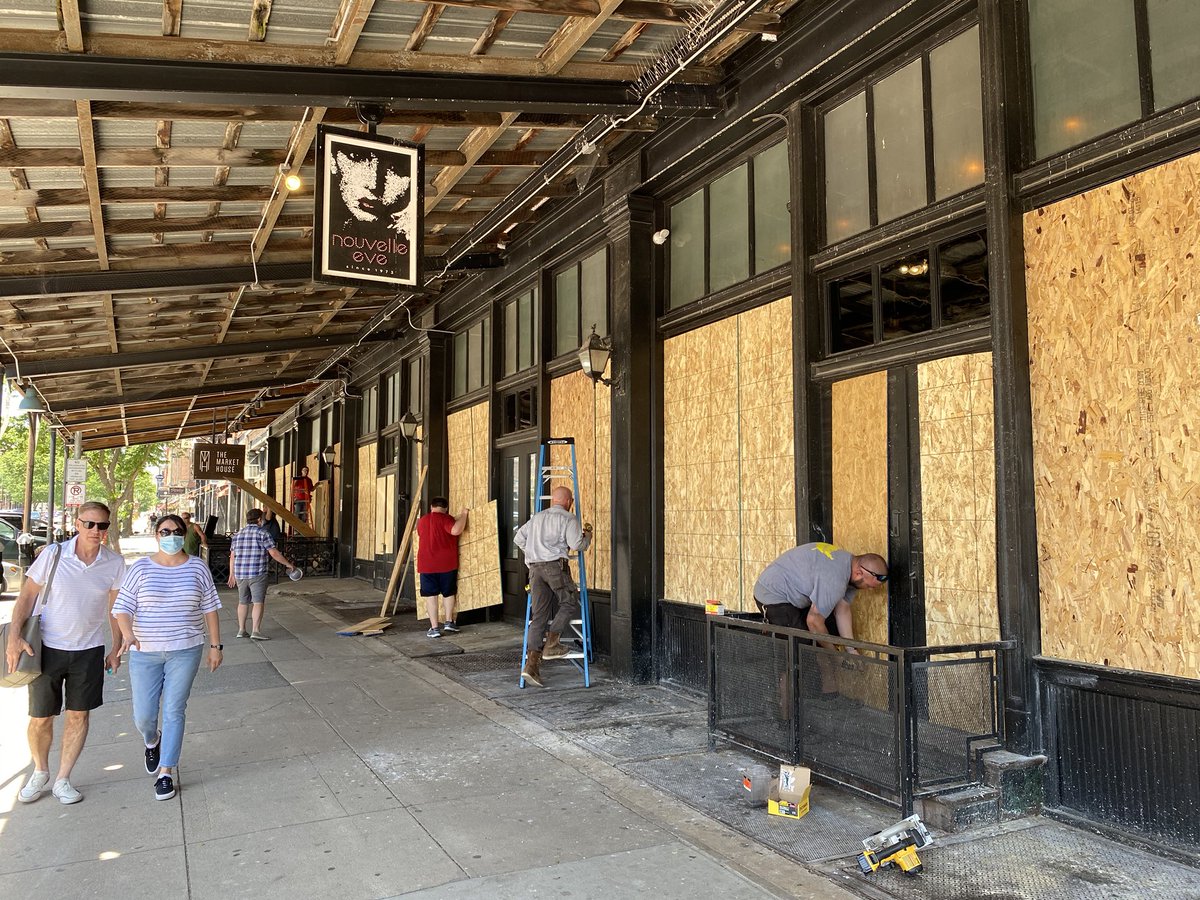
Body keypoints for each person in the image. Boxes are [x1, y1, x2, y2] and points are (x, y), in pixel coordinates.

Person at [5, 501, 126, 805]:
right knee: (41, 717)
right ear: (77, 523)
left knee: (78, 715)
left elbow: (114, 610)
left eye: (102, 526)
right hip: (46, 647)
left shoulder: (113, 563)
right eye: (90, 524)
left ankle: (63, 778)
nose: (96, 531)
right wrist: (14, 637)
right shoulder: (54, 554)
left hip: (88, 650)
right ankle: (40, 770)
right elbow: (27, 596)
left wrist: (116, 647)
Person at [113, 514, 222, 801]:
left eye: (176, 531)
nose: (170, 536)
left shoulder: (198, 568)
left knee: (174, 710)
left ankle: (166, 772)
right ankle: (152, 740)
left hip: (185, 650)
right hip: (144, 652)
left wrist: (215, 646)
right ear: (156, 535)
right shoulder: (140, 569)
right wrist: (127, 633)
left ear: (184, 534)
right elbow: (122, 607)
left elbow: (210, 608)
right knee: (144, 716)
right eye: (164, 531)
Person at [754, 542, 888, 695]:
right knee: (798, 649)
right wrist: (836, 656)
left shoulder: (848, 566)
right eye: (869, 586)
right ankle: (788, 714)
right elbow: (814, 621)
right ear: (858, 573)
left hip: (798, 595)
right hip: (773, 595)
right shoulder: (835, 579)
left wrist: (851, 650)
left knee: (828, 631)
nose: (868, 590)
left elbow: (842, 610)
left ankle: (829, 695)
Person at [514, 486, 592, 687]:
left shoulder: (537, 517)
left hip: (534, 569)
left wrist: (530, 555)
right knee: (569, 602)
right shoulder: (568, 518)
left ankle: (531, 666)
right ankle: (552, 644)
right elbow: (576, 545)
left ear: (553, 500)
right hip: (554, 567)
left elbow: (518, 538)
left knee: (539, 616)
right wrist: (588, 536)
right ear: (569, 501)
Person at [227, 508, 298, 641]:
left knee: (243, 602)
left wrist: (232, 574)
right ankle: (255, 631)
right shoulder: (263, 533)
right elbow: (274, 553)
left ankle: (241, 630)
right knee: (258, 602)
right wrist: (288, 564)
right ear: (260, 519)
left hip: (240, 574)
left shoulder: (237, 535)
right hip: (257, 573)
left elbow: (232, 557)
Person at [416, 498, 469, 638]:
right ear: (446, 508)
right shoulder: (446, 519)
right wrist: (464, 515)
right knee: (448, 593)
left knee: (431, 596)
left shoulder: (422, 521)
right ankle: (449, 622)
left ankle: (434, 628)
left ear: (432, 507)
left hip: (426, 565)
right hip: (447, 564)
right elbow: (456, 530)